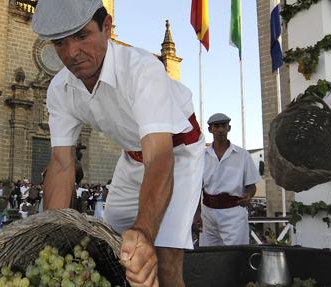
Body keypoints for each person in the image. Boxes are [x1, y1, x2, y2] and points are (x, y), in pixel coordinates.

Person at [32, 1, 204, 286]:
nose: (72, 53)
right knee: (112, 249)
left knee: (163, 258)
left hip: (177, 153)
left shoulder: (142, 68)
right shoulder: (60, 89)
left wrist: (145, 232)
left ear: (107, 28)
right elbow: (62, 165)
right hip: (133, 157)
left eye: (82, 36)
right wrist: (51, 237)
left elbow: (160, 157)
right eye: (60, 43)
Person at [199, 113, 261, 246]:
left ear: (229, 128)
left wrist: (248, 196)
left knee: (235, 255)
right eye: (216, 126)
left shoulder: (243, 155)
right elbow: (196, 189)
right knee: (209, 255)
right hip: (208, 213)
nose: (220, 129)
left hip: (233, 212)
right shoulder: (201, 156)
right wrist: (196, 214)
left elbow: (251, 185)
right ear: (210, 129)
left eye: (223, 125)